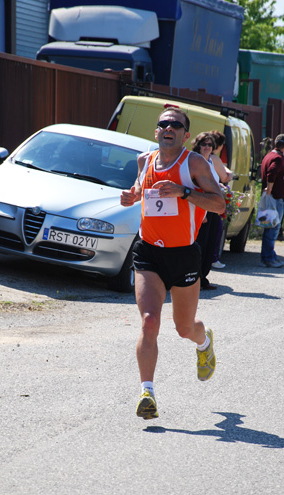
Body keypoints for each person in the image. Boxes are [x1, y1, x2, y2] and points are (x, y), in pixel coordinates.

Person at [120, 109, 225, 419]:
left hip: (184, 255)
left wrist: (185, 192)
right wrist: (131, 197)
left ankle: (204, 342)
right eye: (163, 124)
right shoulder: (145, 161)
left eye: (176, 125)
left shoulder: (194, 164)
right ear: (156, 132)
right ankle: (147, 393)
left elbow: (219, 203)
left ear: (185, 135)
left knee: (183, 328)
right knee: (150, 321)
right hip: (149, 251)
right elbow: (142, 193)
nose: (168, 128)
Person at [192, 132, 223, 289]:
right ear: (198, 145)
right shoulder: (194, 161)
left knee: (210, 243)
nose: (207, 147)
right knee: (199, 244)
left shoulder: (211, 162)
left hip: (211, 208)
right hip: (200, 207)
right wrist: (201, 212)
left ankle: (202, 277)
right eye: (203, 144)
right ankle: (194, 278)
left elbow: (213, 183)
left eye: (210, 145)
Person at [259, 133, 284, 267]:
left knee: (270, 228)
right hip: (275, 198)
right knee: (273, 229)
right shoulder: (278, 158)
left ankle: (269, 255)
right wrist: (270, 190)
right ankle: (268, 258)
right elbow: (271, 173)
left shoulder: (269, 155)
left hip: (272, 197)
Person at [209, 130, 233, 269]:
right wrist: (229, 175)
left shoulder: (200, 157)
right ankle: (213, 258)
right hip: (212, 198)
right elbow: (224, 177)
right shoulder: (214, 158)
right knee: (216, 230)